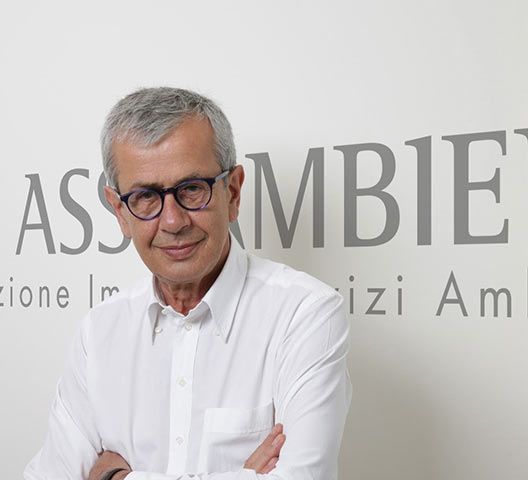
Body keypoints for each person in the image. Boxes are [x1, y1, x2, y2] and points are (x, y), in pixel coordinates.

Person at [24, 87, 352, 480]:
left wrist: (115, 478)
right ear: (120, 212)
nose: (173, 221)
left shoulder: (305, 314)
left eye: (192, 189)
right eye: (146, 197)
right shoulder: (99, 331)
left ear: (232, 192)